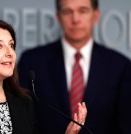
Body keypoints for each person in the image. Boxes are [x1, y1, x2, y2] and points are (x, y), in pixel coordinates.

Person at [18, 0, 131, 134]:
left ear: (96, 15)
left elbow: (126, 127)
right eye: (67, 11)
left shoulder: (120, 66)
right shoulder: (31, 61)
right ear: (58, 17)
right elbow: (22, 121)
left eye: (83, 11)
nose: (75, 19)